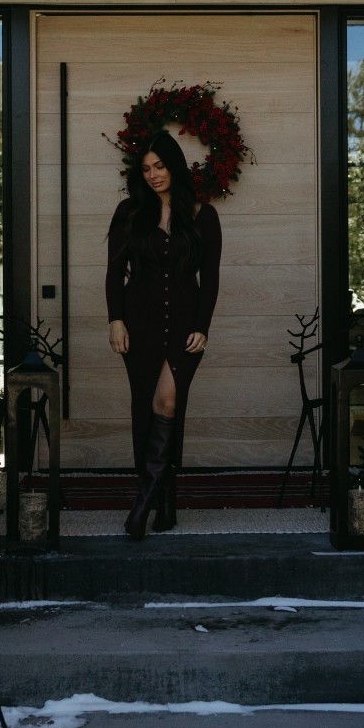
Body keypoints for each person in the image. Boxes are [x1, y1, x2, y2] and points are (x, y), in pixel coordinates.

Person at [105, 130, 222, 538]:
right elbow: (114, 273)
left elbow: (211, 279)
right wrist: (115, 320)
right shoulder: (129, 212)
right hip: (139, 325)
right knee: (145, 409)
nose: (153, 175)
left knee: (168, 402)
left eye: (160, 166)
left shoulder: (203, 215)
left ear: (174, 167)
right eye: (146, 169)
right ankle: (165, 503)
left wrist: (202, 326)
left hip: (185, 328)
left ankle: (142, 505)